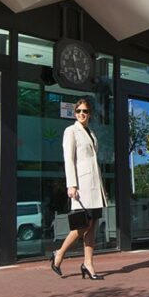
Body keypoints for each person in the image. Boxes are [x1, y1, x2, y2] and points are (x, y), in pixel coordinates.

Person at [50, 97, 106, 280]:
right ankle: (59, 253)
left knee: (93, 226)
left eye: (85, 111)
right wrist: (71, 184)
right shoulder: (71, 131)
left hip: (94, 186)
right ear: (75, 113)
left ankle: (88, 264)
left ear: (90, 114)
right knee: (81, 226)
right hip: (81, 186)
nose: (82, 114)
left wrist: (101, 188)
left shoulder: (91, 132)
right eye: (79, 111)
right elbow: (69, 159)